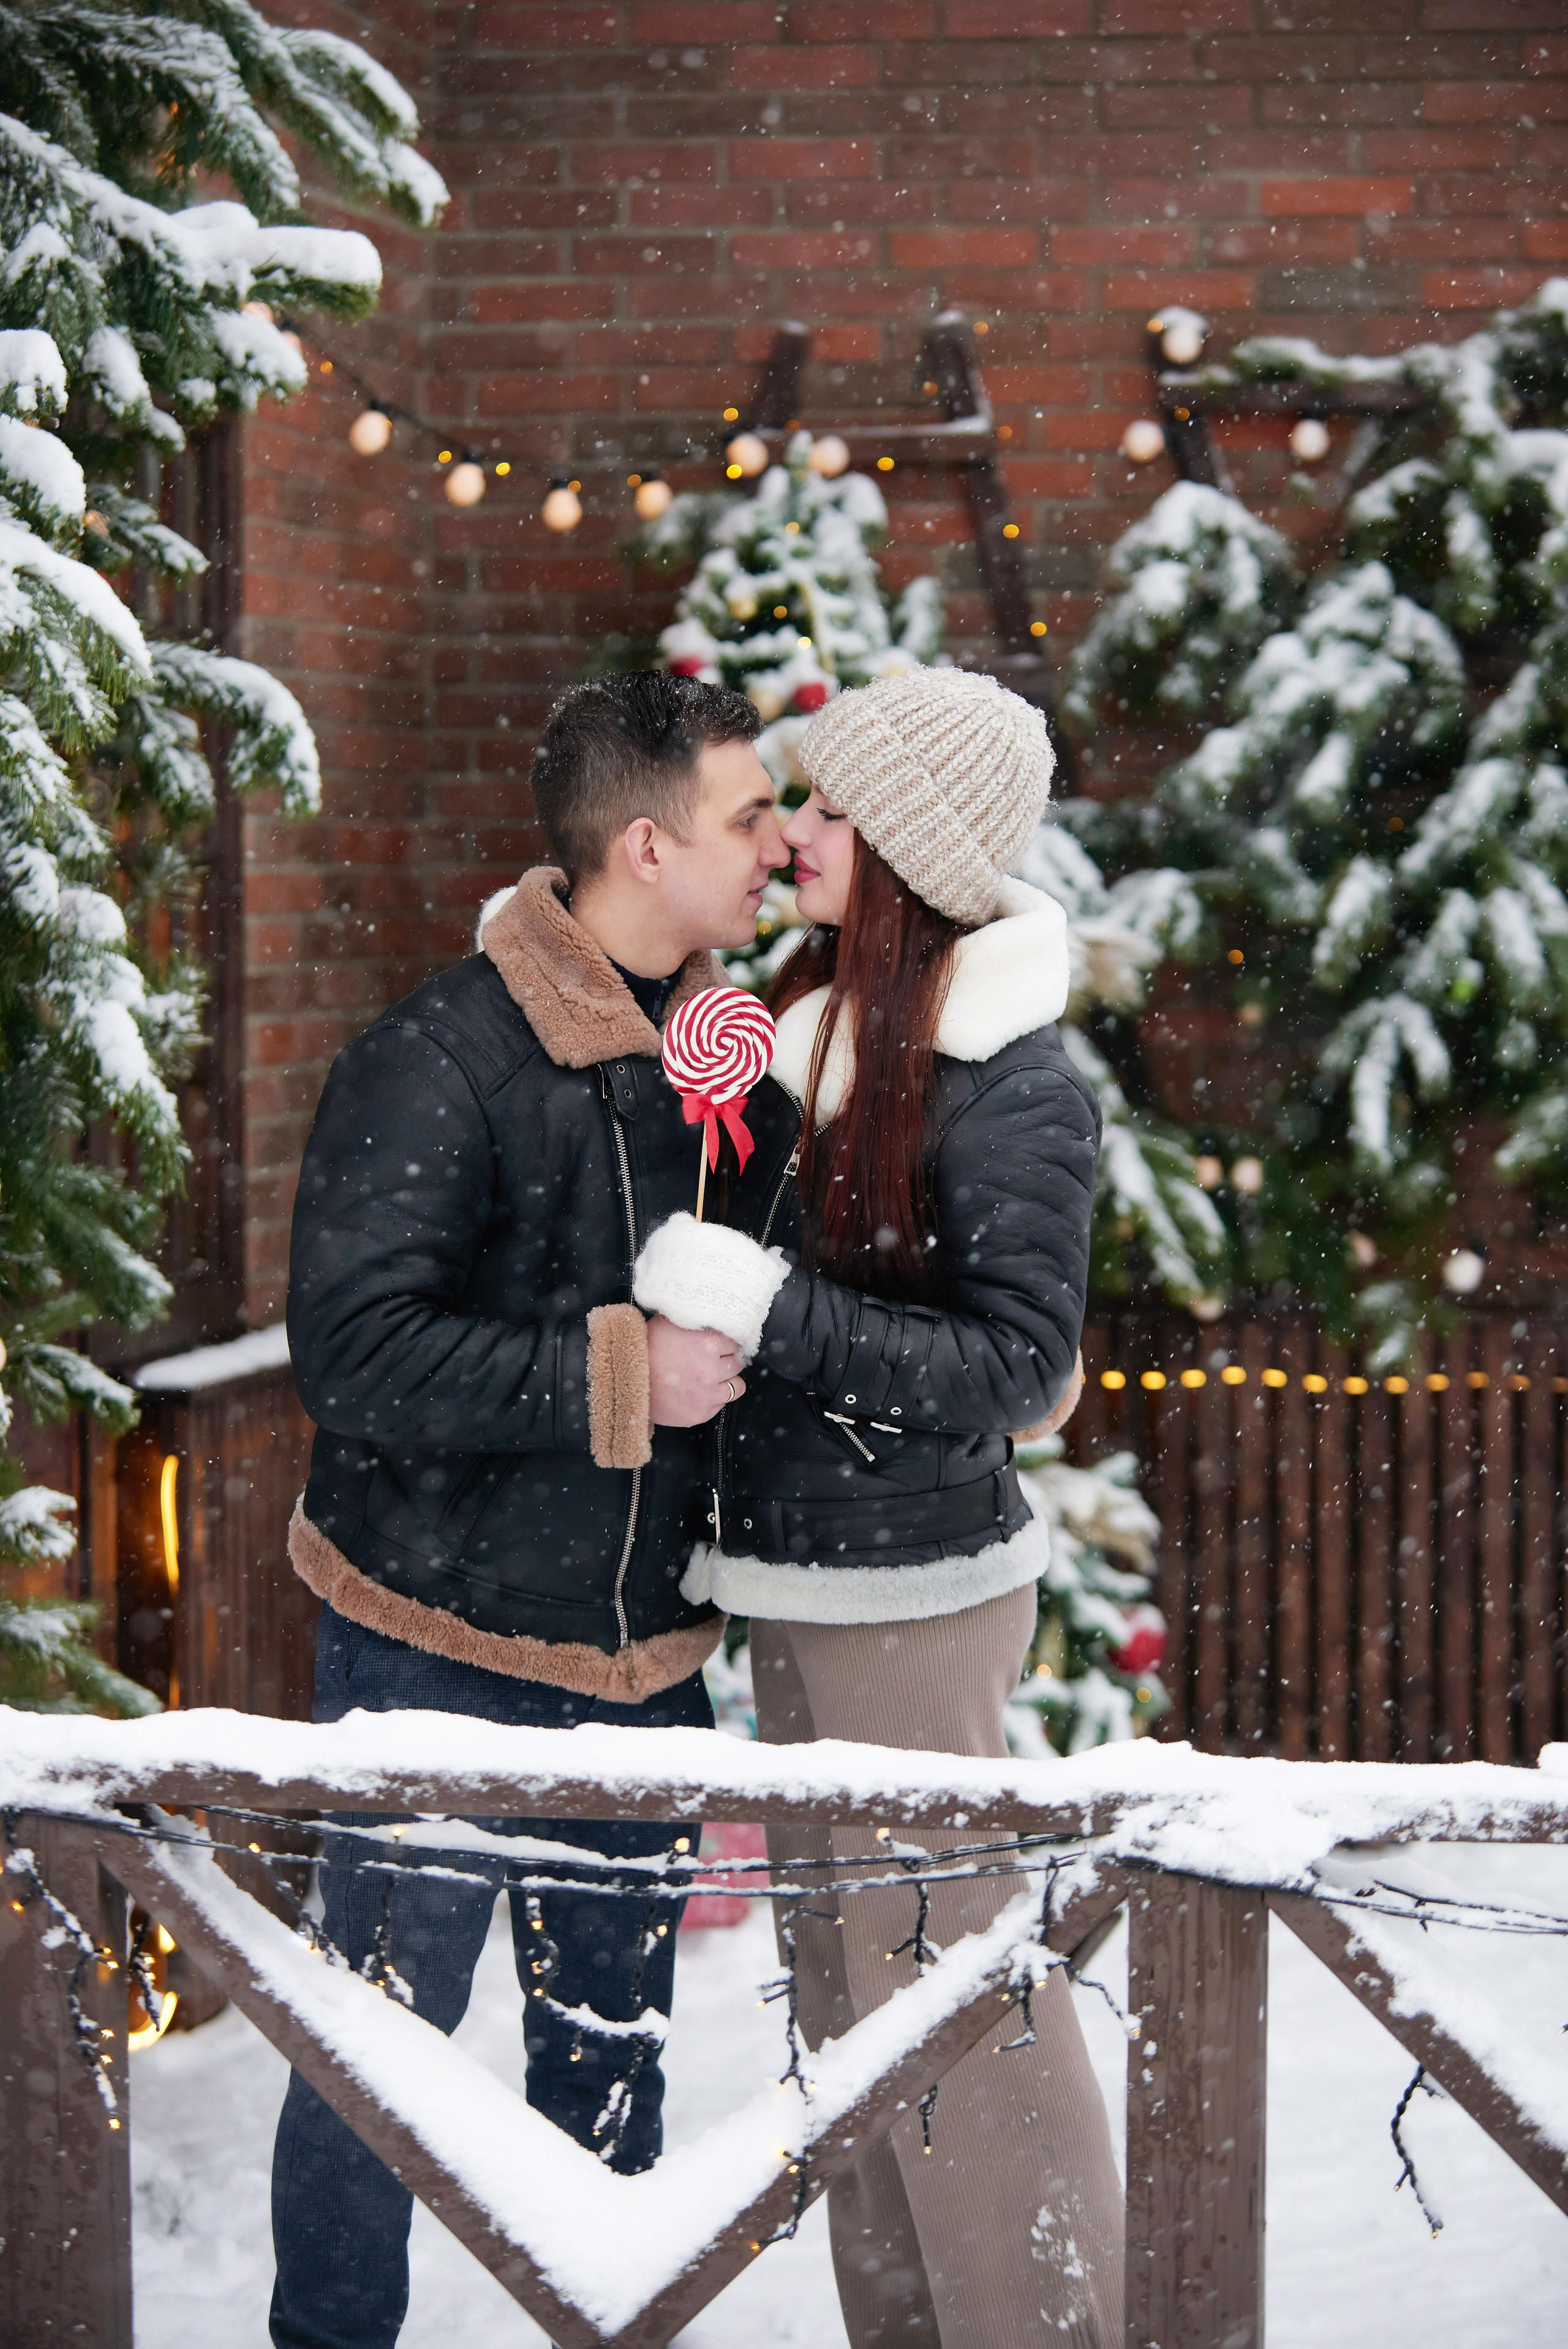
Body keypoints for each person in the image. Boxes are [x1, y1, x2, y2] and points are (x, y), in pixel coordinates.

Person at [270, 673, 789, 2349]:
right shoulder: (438, 1057)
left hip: (641, 1665)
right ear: (645, 845)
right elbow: (354, 1354)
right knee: (377, 2076)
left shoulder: (732, 1064)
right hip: (434, 1649)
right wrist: (617, 1377)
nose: (781, 844)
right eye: (751, 815)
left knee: (611, 2073)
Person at [633, 666, 1122, 2348]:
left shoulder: (1015, 1081)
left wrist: (774, 1310)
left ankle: (1049, 2327)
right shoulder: (812, 1034)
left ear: (908, 844)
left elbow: (1012, 1363)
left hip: (913, 1593)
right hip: (804, 1581)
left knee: (960, 2013)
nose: (794, 835)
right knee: (853, 2022)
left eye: (830, 809)